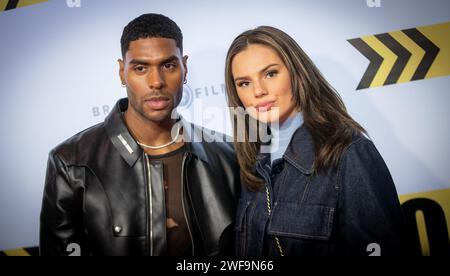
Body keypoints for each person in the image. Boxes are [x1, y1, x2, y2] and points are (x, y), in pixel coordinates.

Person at [40, 13, 240, 256]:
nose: (156, 82)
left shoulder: (229, 155)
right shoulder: (70, 162)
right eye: (140, 68)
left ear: (184, 67)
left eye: (168, 65)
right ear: (122, 72)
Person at [224, 26, 409, 256]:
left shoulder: (349, 153)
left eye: (270, 73)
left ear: (296, 72)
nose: (258, 91)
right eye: (244, 83)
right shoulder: (251, 161)